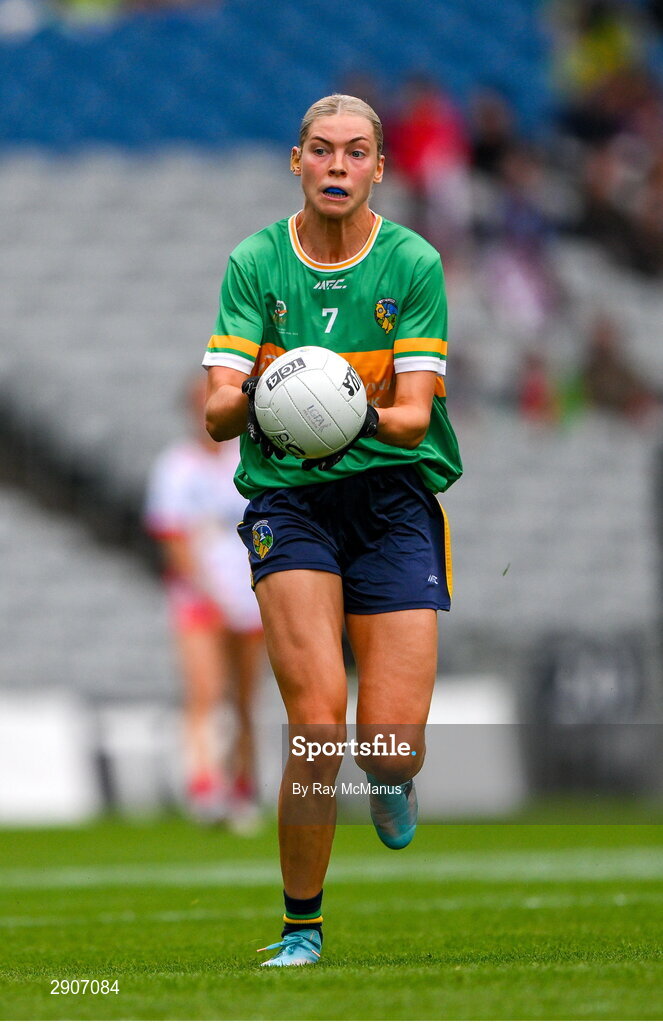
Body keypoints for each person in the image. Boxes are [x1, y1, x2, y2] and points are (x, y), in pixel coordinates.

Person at [203, 94, 462, 966]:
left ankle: (391, 781)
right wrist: (268, 400)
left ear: (379, 168)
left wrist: (336, 408)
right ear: (297, 161)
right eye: (322, 151)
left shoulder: (412, 262)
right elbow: (214, 414)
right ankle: (300, 930)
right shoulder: (254, 263)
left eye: (357, 152)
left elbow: (416, 418)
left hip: (389, 499)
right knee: (317, 726)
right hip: (292, 501)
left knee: (387, 747)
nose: (339, 165)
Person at [144, 376, 264, 832]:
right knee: (205, 692)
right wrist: (212, 594)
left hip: (250, 596)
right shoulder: (176, 467)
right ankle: (203, 785)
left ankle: (242, 786)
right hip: (200, 598)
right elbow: (173, 539)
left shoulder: (246, 460)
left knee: (246, 698)